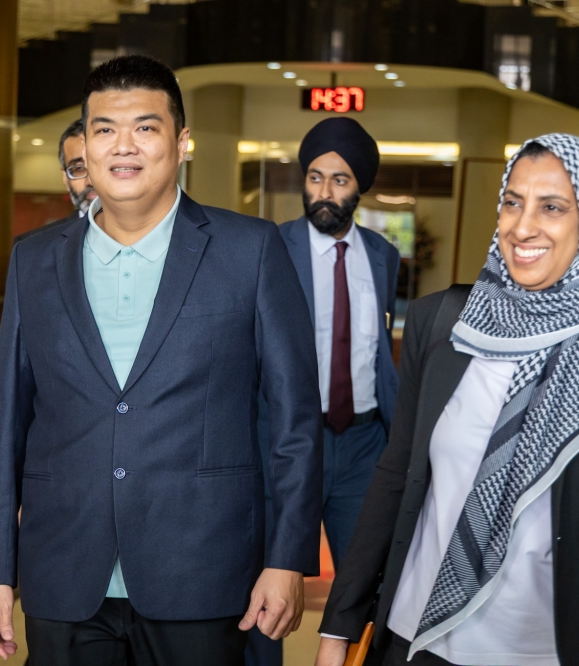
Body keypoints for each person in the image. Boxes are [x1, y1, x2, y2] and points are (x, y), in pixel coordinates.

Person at [0, 54, 323, 665]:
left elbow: (295, 424)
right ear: (84, 143)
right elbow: (6, 427)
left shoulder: (250, 251)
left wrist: (288, 557)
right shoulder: (34, 260)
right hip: (65, 572)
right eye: (104, 128)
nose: (122, 146)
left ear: (182, 142)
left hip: (201, 569)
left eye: (146, 127)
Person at [315, 134, 579, 666]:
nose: (523, 227)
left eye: (552, 207)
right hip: (418, 638)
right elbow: (396, 475)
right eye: (512, 202)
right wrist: (338, 626)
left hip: (548, 648)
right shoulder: (446, 321)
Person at [248, 117, 401, 666]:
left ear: (360, 186)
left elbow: (378, 350)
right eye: (315, 178)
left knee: (367, 584)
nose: (325, 193)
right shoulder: (269, 247)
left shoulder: (383, 256)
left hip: (362, 444)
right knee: (267, 586)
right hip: (286, 441)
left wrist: (397, 432)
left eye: (339, 180)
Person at [13, 118, 96, 244]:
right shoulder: (31, 247)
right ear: (65, 178)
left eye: (99, 165)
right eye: (79, 168)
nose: (91, 181)